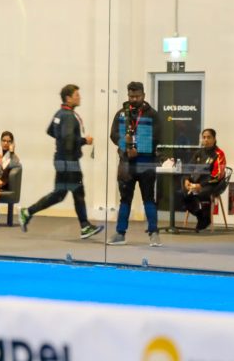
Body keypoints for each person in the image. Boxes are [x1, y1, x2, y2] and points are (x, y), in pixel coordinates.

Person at [19, 85, 104, 240]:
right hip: (69, 161)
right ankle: (85, 226)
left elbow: (51, 131)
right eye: (76, 95)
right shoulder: (69, 116)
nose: (79, 97)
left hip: (61, 159)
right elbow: (68, 139)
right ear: (68, 98)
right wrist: (85, 140)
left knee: (59, 194)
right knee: (78, 193)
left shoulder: (60, 114)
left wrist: (64, 141)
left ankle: (28, 212)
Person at [108, 81, 162, 247]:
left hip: (146, 163)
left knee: (148, 199)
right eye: (131, 96)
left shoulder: (152, 114)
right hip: (126, 164)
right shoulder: (121, 114)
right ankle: (120, 233)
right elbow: (113, 135)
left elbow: (157, 137)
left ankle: (154, 233)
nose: (134, 99)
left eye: (137, 96)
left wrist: (137, 149)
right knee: (125, 199)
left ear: (143, 95)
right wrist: (126, 146)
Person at [183, 128, 227, 232]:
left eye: (209, 137)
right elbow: (189, 168)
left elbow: (217, 176)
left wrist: (200, 185)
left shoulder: (219, 154)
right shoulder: (198, 153)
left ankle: (205, 218)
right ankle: (201, 216)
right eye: (204, 137)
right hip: (197, 182)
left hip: (213, 183)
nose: (206, 140)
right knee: (183, 193)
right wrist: (186, 180)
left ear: (214, 139)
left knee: (202, 192)